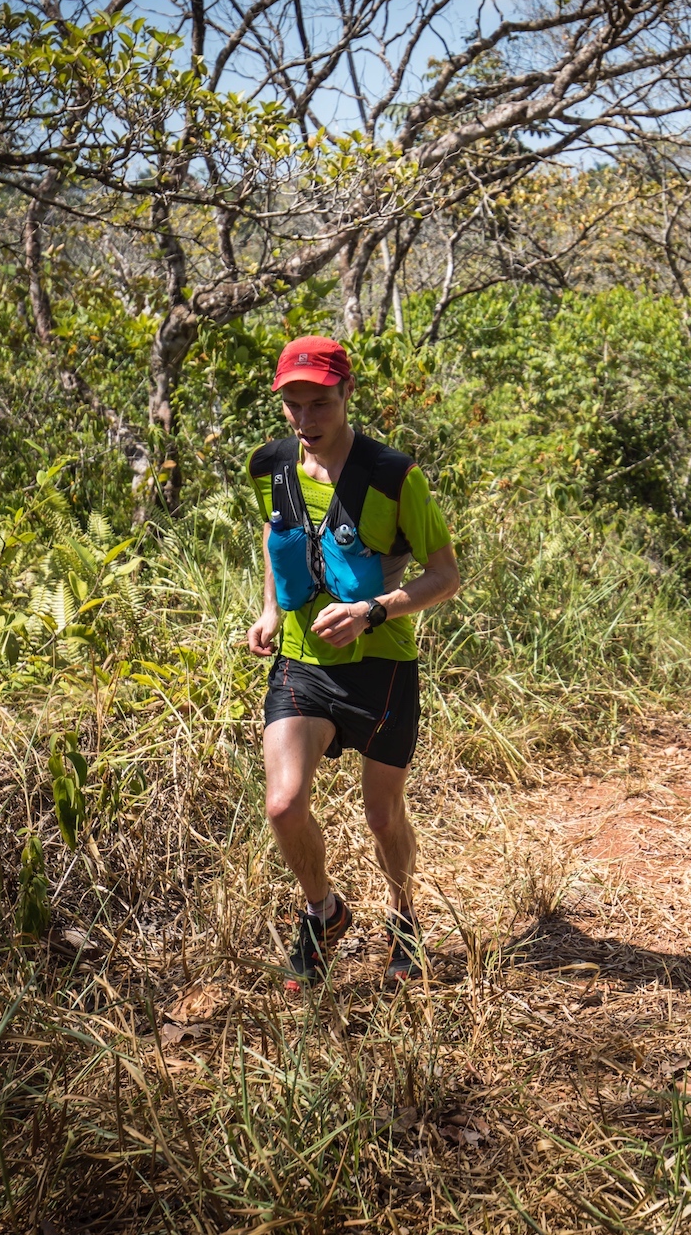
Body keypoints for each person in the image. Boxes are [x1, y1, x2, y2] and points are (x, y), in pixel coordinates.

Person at [246, 335, 460, 991]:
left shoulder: (395, 477)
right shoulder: (272, 465)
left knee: (382, 816)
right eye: (293, 405)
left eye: (320, 404)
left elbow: (446, 576)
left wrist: (373, 611)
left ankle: (403, 915)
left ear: (347, 394)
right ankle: (323, 912)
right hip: (302, 663)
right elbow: (278, 531)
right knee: (283, 804)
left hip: (381, 666)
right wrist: (271, 610)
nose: (306, 420)